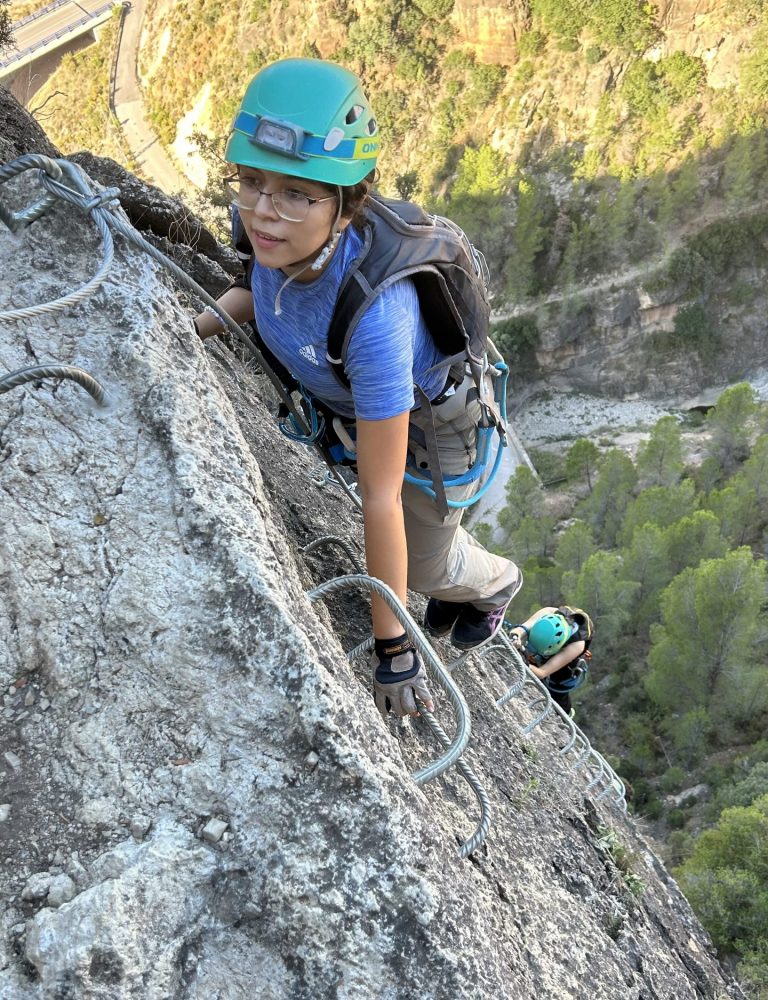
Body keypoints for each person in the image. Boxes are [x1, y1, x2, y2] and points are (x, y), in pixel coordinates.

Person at [193, 58, 522, 719]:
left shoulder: (378, 322)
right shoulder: (282, 239)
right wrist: (199, 323)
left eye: (294, 193)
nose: (263, 212)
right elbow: (262, 286)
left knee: (428, 570)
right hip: (359, 409)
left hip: (432, 435)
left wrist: (393, 647)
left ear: (347, 206)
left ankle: (497, 582)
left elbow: (379, 497)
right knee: (410, 557)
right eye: (251, 182)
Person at [507, 606, 593, 716]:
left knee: (557, 687)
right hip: (545, 645)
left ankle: (566, 712)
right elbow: (521, 629)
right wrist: (516, 636)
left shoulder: (577, 645)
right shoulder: (548, 613)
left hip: (564, 669)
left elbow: (542, 672)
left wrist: (521, 661)